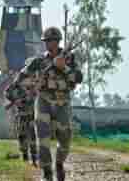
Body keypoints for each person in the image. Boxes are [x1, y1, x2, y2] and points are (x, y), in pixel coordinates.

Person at [14, 26, 83, 181]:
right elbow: (20, 79)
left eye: (52, 40)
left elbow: (78, 78)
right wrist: (32, 83)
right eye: (47, 41)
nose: (49, 43)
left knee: (65, 140)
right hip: (43, 102)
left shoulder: (69, 58)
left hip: (62, 102)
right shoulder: (38, 62)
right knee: (43, 140)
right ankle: (47, 173)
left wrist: (63, 67)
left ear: (58, 41)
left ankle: (59, 164)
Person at [4, 59, 38, 167]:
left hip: (34, 112)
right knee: (22, 135)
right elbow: (7, 92)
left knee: (33, 135)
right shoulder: (19, 79)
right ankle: (24, 156)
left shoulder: (38, 78)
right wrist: (15, 100)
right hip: (22, 112)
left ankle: (34, 158)